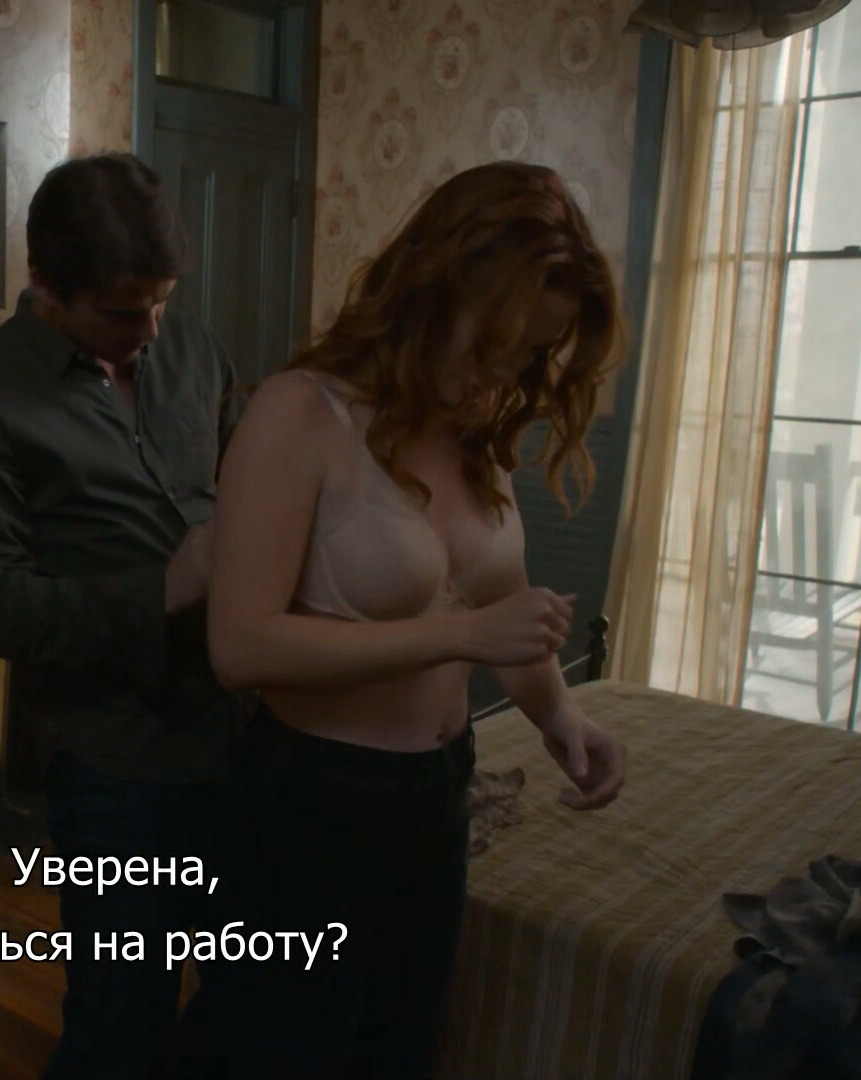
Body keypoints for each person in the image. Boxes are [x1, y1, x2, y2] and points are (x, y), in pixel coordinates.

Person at [175, 161, 631, 1079]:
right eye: (498, 344)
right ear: (437, 288)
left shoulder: (476, 433)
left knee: (397, 1051)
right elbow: (240, 645)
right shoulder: (300, 412)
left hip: (437, 796)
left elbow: (503, 611)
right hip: (309, 803)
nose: (506, 374)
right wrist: (457, 638)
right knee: (274, 1057)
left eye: (530, 355)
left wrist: (561, 717)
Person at [0, 153, 249, 1080]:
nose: (150, 332)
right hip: (112, 761)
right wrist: (162, 591)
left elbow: (253, 483)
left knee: (254, 995)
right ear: (44, 284)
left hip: (245, 731)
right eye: (119, 312)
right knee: (118, 1026)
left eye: (162, 303)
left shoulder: (194, 349)